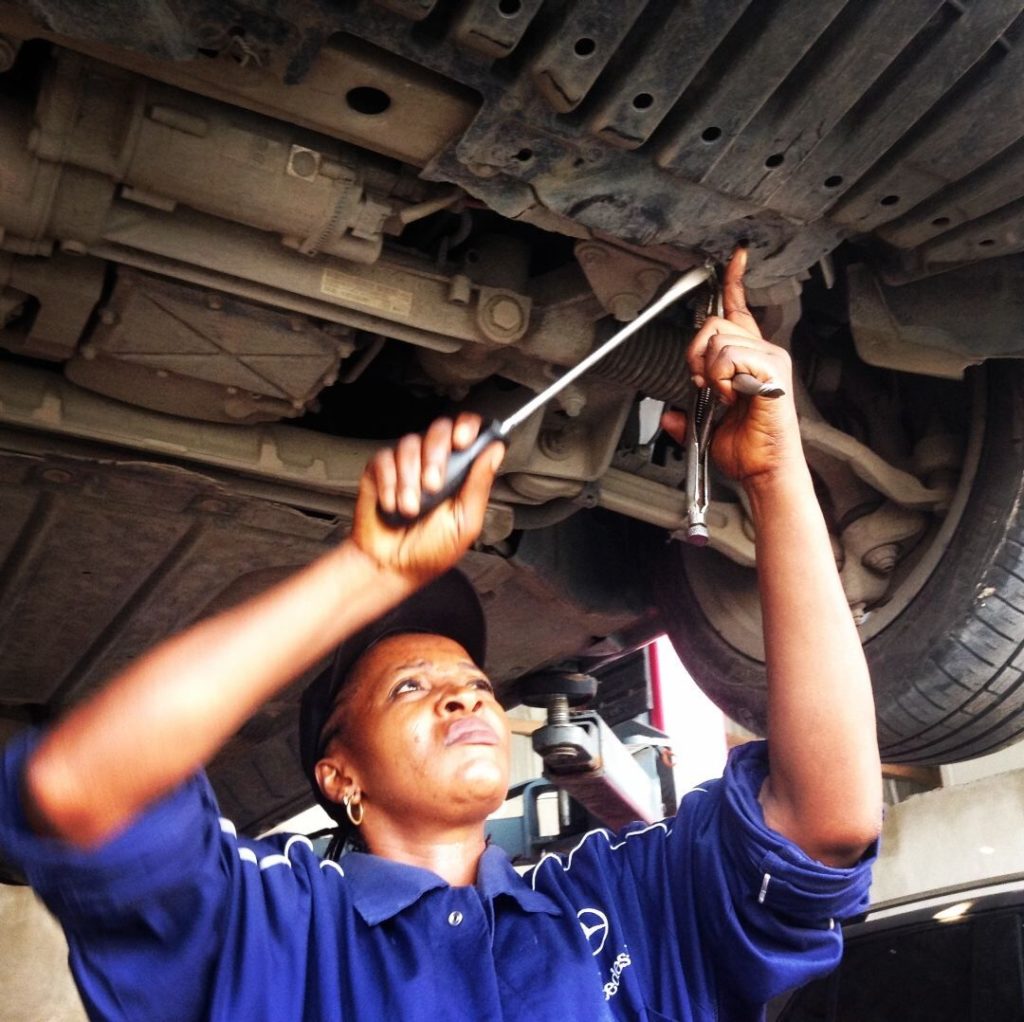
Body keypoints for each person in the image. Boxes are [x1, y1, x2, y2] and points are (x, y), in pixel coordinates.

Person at [0, 250, 882, 1022]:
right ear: (340, 777)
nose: (465, 697)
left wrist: (776, 473)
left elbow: (827, 824)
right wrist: (370, 569)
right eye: (410, 687)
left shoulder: (621, 909)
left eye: (477, 686)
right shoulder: (278, 930)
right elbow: (80, 785)